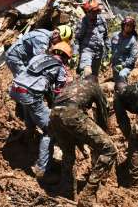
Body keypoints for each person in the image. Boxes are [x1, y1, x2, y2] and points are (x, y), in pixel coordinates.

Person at [8, 41, 73, 180]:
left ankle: (28, 143)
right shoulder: (60, 67)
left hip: (15, 87)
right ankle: (42, 170)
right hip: (30, 93)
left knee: (30, 110)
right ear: (66, 57)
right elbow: (59, 91)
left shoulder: (39, 57)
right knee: (50, 130)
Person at [49, 77, 117, 206]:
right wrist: (102, 136)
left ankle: (67, 190)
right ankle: (87, 195)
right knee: (110, 149)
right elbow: (103, 113)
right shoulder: (95, 86)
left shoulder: (71, 84)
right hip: (71, 113)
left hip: (54, 115)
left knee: (68, 154)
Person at [6, 25, 73, 78]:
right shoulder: (42, 39)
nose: (58, 43)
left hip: (24, 57)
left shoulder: (46, 35)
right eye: (59, 40)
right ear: (56, 34)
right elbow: (39, 60)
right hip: (15, 57)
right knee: (24, 78)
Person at [74, 0, 109, 81]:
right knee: (87, 72)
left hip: (99, 53)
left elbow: (106, 37)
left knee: (93, 76)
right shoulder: (83, 22)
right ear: (87, 12)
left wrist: (108, 52)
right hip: (87, 50)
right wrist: (75, 54)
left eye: (95, 12)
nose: (93, 14)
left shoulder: (102, 20)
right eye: (91, 12)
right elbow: (77, 39)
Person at [110, 16, 138, 84]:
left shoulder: (133, 41)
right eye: (127, 25)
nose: (129, 27)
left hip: (126, 66)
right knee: (117, 83)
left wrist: (123, 65)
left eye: (131, 26)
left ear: (133, 28)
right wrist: (108, 56)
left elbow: (133, 57)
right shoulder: (115, 35)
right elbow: (109, 46)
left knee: (122, 75)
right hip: (115, 64)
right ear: (123, 25)